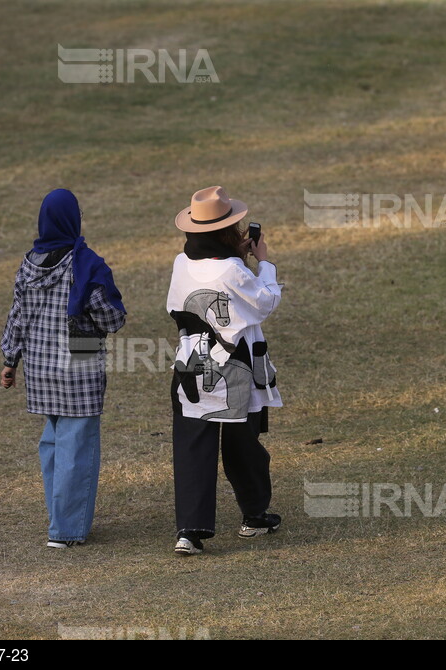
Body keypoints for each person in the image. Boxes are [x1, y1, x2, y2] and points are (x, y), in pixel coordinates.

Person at [0, 189, 126, 549]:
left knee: (53, 445)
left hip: (40, 368)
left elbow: (17, 317)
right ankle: (66, 530)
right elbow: (111, 318)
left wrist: (10, 360)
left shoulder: (28, 265)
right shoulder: (86, 265)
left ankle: (61, 518)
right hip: (79, 364)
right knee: (77, 447)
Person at [166, 185, 283, 556]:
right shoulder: (234, 270)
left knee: (192, 449)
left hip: (190, 368)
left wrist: (240, 259)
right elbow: (264, 302)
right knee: (243, 446)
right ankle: (254, 515)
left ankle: (190, 530)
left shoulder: (181, 262)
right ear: (226, 231)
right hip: (234, 369)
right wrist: (263, 262)